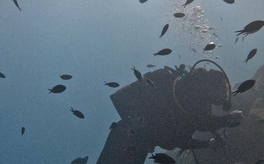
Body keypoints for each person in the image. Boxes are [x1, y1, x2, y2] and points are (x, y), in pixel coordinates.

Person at [96, 61, 241, 164]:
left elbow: (182, 141)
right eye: (223, 88)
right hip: (130, 135)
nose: (225, 95)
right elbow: (202, 124)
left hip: (135, 141)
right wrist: (228, 119)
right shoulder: (195, 87)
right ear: (211, 84)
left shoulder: (191, 105)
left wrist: (207, 144)